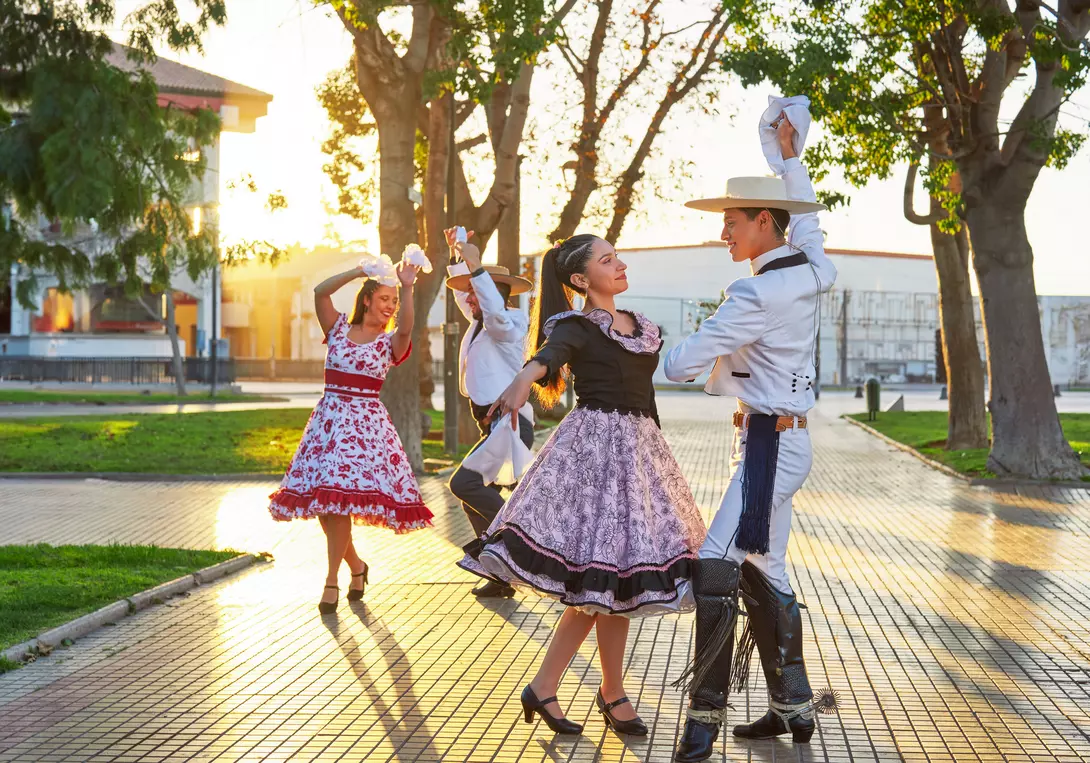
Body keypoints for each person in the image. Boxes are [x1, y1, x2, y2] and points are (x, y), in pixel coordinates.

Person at [459, 235, 707, 737]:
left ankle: (565, 689)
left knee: (614, 585)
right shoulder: (575, 326)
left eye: (617, 256)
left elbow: (647, 400)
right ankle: (598, 692)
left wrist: (658, 461)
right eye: (607, 260)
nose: (619, 265)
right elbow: (550, 355)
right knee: (603, 583)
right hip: (593, 458)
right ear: (579, 279)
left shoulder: (644, 328)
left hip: (638, 453)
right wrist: (524, 378)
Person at [665, 113, 837, 761]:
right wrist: (790, 155)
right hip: (778, 443)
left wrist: (641, 344)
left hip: (768, 450)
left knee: (715, 565)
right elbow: (812, 223)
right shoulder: (812, 267)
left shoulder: (755, 291)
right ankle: (791, 706)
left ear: (765, 221)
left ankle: (703, 718)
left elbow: (682, 363)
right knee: (766, 565)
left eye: (733, 221)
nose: (723, 232)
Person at [269, 253, 433, 615]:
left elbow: (407, 329)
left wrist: (407, 287)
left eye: (393, 301)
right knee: (327, 510)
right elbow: (319, 292)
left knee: (337, 503)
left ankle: (331, 581)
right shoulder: (339, 328)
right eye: (384, 299)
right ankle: (357, 567)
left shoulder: (390, 343)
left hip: (364, 431)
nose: (389, 307)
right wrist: (359, 270)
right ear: (367, 299)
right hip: (328, 425)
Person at [443, 228, 536, 599]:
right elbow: (469, 300)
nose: (468, 298)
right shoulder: (480, 323)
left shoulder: (509, 323)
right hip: (495, 427)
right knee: (473, 490)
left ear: (493, 294)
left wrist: (475, 263)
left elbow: (493, 314)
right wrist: (458, 254)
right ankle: (499, 572)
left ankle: (514, 546)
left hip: (510, 424)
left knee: (463, 485)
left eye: (475, 290)